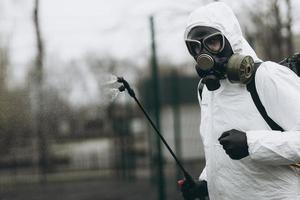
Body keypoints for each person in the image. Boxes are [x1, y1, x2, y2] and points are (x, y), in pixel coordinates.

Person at [180, 2, 300, 200]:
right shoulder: (207, 90)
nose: (204, 54)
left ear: (231, 39)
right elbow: (218, 150)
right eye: (195, 46)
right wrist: (206, 183)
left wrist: (251, 143)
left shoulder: (266, 76)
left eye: (212, 42)